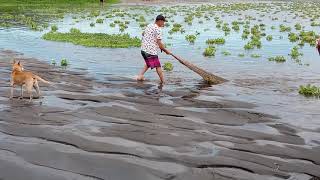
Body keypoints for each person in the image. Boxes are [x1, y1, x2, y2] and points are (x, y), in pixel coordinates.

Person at [137, 15, 171, 84]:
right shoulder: (158, 29)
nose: (163, 24)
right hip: (150, 51)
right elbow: (159, 43)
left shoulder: (149, 25)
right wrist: (165, 50)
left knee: (148, 63)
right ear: (159, 21)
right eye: (163, 22)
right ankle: (163, 81)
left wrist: (151, 39)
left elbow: (143, 33)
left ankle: (140, 76)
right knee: (158, 66)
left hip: (143, 49)